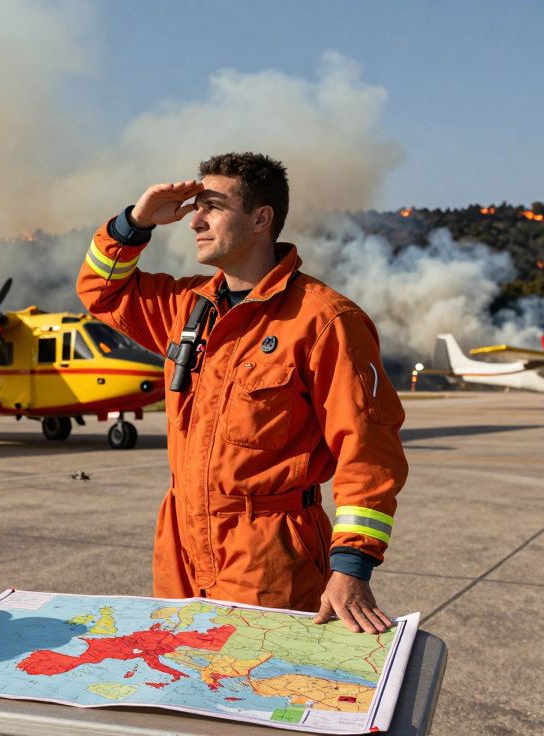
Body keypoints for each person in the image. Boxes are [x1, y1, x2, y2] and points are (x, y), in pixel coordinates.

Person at [77, 152, 406, 635]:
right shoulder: (186, 308)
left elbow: (368, 450)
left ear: (260, 218)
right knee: (180, 684)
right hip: (181, 545)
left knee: (263, 691)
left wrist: (351, 568)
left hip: (269, 556)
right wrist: (136, 222)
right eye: (195, 208)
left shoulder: (324, 321)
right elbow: (100, 294)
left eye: (211, 206)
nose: (195, 221)